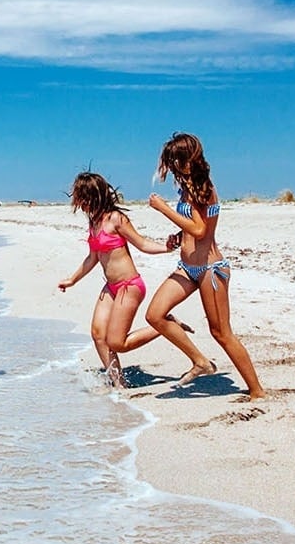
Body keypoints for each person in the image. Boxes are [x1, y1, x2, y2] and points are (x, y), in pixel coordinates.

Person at [144, 132, 266, 399]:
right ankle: (200, 361)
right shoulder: (187, 189)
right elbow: (195, 228)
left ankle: (257, 391)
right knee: (154, 315)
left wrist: (163, 209)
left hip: (211, 270)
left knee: (221, 333)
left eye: (176, 160)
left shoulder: (205, 188)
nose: (174, 166)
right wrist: (179, 236)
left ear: (189, 159)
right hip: (188, 268)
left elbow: (200, 230)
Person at [57, 172, 174, 389]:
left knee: (117, 343)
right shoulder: (94, 222)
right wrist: (72, 280)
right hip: (110, 287)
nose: (79, 204)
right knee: (98, 334)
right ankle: (119, 384)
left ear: (92, 196)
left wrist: (167, 248)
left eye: (81, 198)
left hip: (129, 287)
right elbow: (92, 258)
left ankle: (167, 326)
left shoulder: (116, 219)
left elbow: (141, 243)